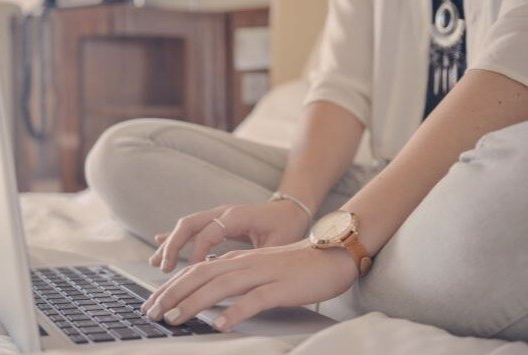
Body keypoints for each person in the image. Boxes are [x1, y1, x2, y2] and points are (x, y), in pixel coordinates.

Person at [85, 0, 528, 334]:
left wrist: (340, 246)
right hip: (381, 182)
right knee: (126, 153)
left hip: (480, 185)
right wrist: (293, 204)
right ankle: (334, 270)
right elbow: (341, 86)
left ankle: (324, 271)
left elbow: (510, 69)